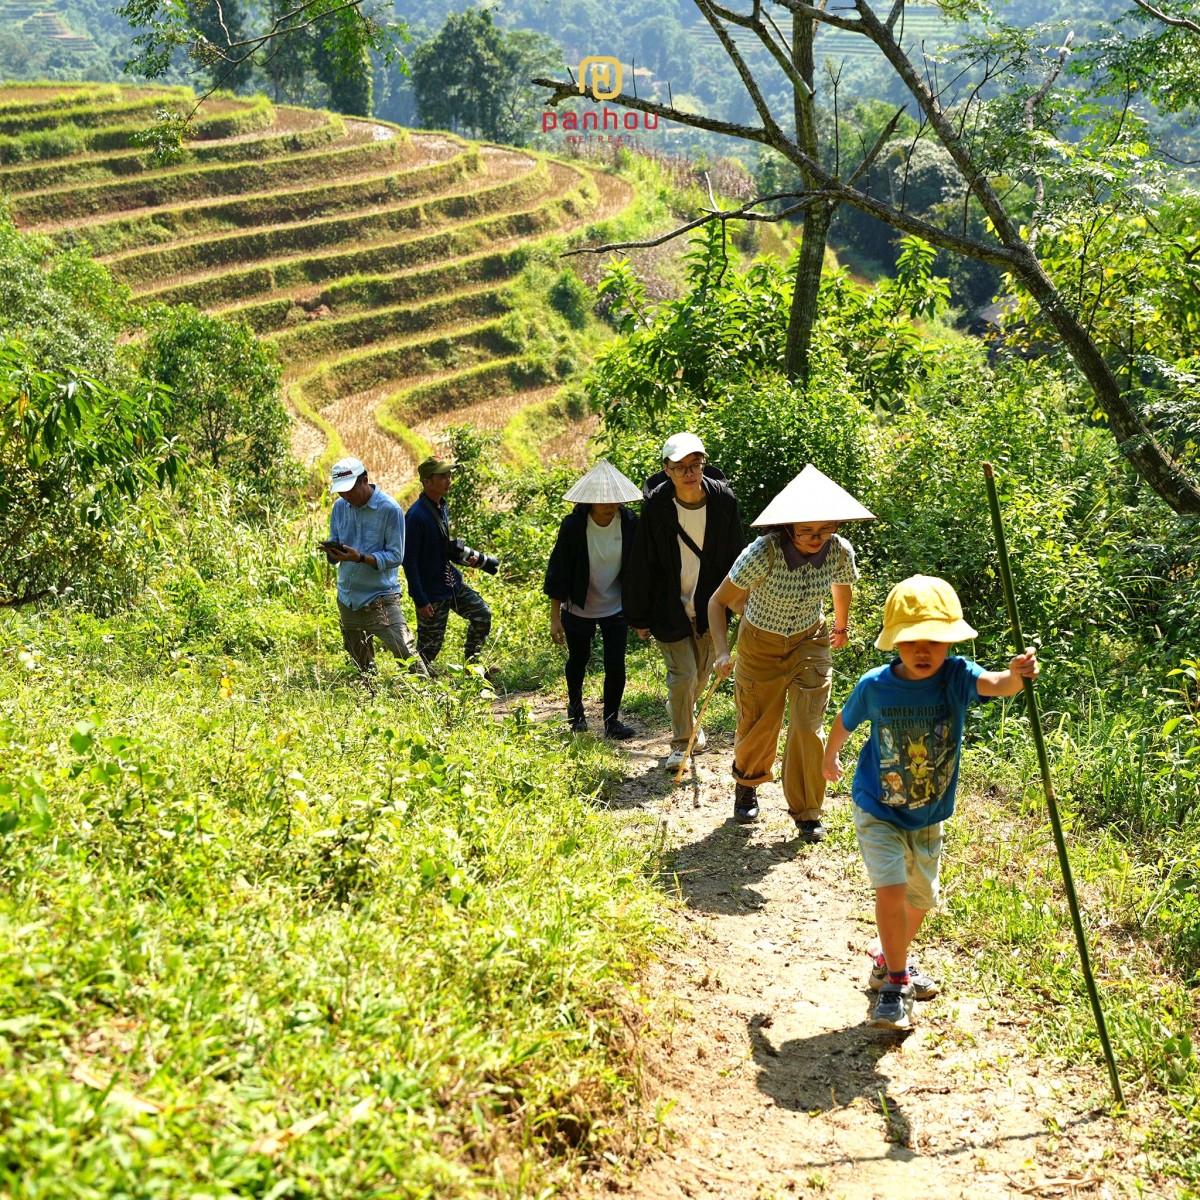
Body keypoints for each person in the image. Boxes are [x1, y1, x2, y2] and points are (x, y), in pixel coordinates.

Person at [822, 575, 1040, 1030]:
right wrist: (830, 753)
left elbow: (999, 685)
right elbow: (844, 722)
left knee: (921, 899)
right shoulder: (875, 685)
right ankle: (896, 984)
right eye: (912, 641)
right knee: (892, 889)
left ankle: (887, 955)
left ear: (950, 642)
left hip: (928, 814)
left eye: (935, 642)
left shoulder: (957, 677)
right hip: (878, 807)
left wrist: (1017, 676)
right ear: (894, 641)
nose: (924, 651)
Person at [709, 465, 873, 841]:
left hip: (809, 641)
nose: (817, 538)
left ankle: (807, 811)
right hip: (760, 646)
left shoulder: (839, 550)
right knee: (759, 724)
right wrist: (721, 651)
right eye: (807, 531)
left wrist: (841, 627)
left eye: (826, 529)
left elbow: (842, 586)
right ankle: (748, 782)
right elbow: (719, 602)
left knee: (807, 726)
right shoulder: (762, 554)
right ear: (787, 528)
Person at [623, 432, 745, 770]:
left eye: (695, 464)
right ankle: (680, 743)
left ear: (703, 464)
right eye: (680, 467)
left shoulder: (724, 502)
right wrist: (639, 615)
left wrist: (742, 601)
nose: (689, 473)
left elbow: (738, 555)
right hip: (668, 605)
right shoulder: (657, 507)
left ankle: (687, 718)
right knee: (683, 676)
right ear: (666, 469)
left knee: (701, 677)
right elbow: (642, 560)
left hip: (711, 606)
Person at [543, 459, 641, 739]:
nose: (610, 505)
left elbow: (640, 567)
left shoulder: (630, 523)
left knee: (615, 663)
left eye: (615, 500)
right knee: (578, 659)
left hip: (616, 605)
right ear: (591, 501)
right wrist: (554, 617)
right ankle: (576, 714)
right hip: (578, 605)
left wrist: (641, 611)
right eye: (603, 500)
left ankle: (612, 721)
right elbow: (559, 571)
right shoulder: (574, 526)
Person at [323, 456, 425, 675]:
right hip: (348, 598)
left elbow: (396, 556)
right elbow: (336, 545)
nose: (346, 496)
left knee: (406, 655)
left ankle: (429, 699)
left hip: (380, 597)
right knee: (360, 659)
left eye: (350, 490)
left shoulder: (389, 509)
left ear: (365, 480)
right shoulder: (340, 507)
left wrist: (360, 557)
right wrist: (334, 554)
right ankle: (369, 697)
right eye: (341, 491)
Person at [403, 456, 492, 670]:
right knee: (429, 649)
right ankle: (414, 683)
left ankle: (473, 666)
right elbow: (409, 561)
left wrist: (462, 558)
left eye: (449, 475)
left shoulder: (440, 505)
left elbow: (438, 547)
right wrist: (421, 599)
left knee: (482, 615)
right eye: (442, 476)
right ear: (426, 481)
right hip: (431, 593)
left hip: (451, 583)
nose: (448, 480)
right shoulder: (416, 516)